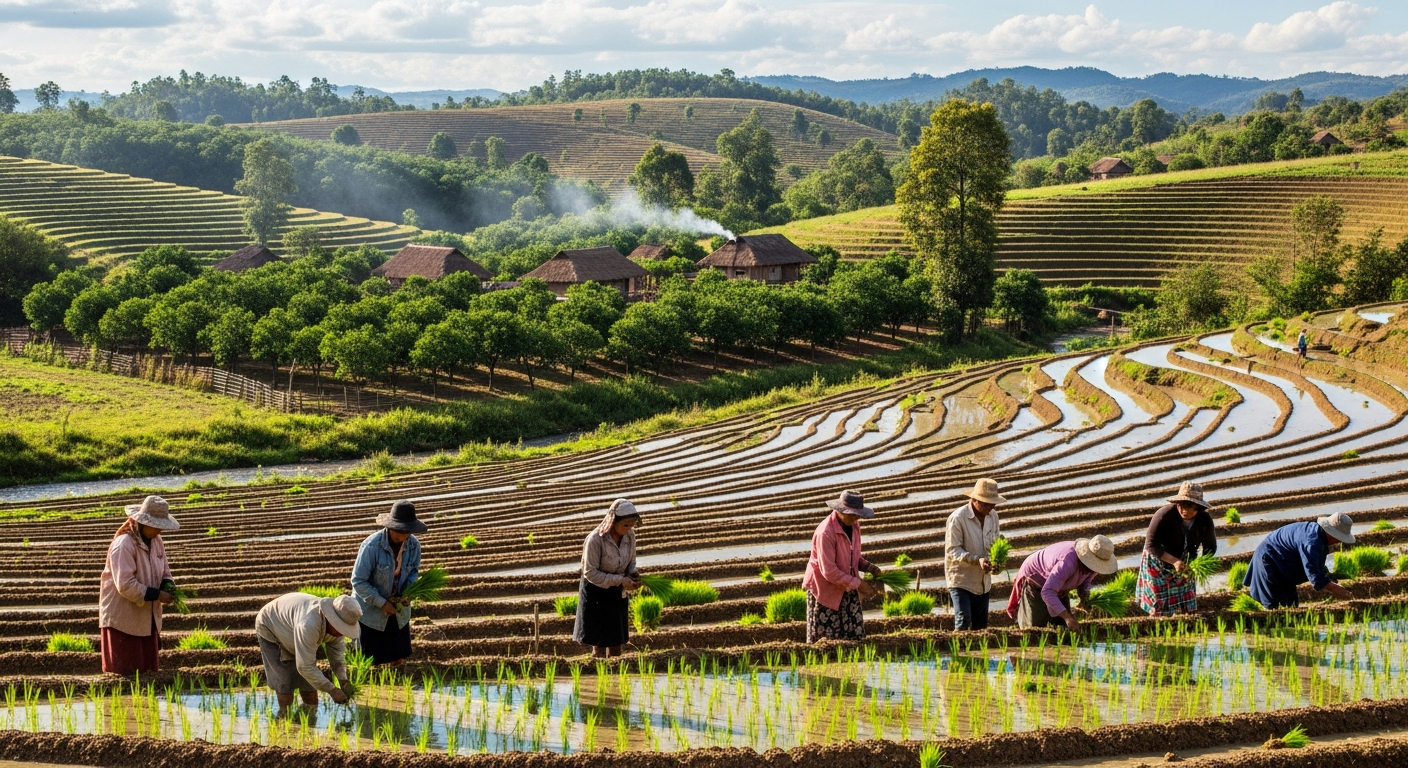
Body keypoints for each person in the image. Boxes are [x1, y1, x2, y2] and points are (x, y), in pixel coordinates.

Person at [99, 495, 180, 675]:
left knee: (147, 675)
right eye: (157, 525)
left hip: (146, 616)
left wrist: (168, 585)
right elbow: (125, 585)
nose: (160, 530)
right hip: (123, 620)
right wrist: (158, 595)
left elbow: (165, 570)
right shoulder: (124, 544)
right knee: (125, 675)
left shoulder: (157, 542)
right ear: (143, 522)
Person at [255, 592, 361, 712]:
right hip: (272, 627)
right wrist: (332, 690)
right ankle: (284, 719)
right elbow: (305, 666)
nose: (341, 633)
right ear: (331, 618)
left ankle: (309, 719)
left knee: (310, 692)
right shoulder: (309, 624)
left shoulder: (337, 628)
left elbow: (337, 658)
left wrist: (343, 680)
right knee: (285, 686)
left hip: (295, 627)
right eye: (340, 627)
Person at [802, 490, 883, 642]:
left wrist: (868, 567)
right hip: (825, 592)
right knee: (827, 642)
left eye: (857, 514)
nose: (855, 517)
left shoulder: (854, 526)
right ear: (839, 510)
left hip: (847, 586)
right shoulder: (825, 533)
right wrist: (859, 584)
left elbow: (853, 556)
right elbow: (829, 571)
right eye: (851, 514)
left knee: (855, 639)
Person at [351, 500, 425, 666]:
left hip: (399, 611)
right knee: (370, 659)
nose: (406, 535)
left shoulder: (414, 545)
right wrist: (382, 603)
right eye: (402, 530)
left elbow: (413, 572)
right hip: (371, 611)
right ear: (391, 527)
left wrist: (408, 592)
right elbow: (358, 581)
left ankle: (395, 684)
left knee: (397, 655)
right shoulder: (372, 546)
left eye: (409, 530)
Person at [573, 499, 642, 658]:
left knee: (616, 642)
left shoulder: (630, 536)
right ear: (613, 521)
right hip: (596, 591)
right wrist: (620, 580)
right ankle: (599, 676)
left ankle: (615, 679)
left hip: (616, 593)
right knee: (599, 645)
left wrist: (633, 575)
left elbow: (631, 562)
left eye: (632, 525)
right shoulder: (596, 539)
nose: (629, 529)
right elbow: (590, 572)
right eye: (625, 525)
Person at [1136, 481, 1217, 616]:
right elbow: (1151, 545)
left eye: (1189, 507)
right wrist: (1174, 561)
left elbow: (1210, 548)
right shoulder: (1164, 515)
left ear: (1197, 507)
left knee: (1187, 602)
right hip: (1158, 560)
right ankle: (1159, 624)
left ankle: (1187, 625)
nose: (1184, 511)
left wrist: (1198, 565)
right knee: (1160, 605)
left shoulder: (1204, 520)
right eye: (1181, 505)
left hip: (1186, 562)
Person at [1007, 535, 1118, 630]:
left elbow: (1087, 580)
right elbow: (1048, 591)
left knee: (1062, 626)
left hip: (1059, 588)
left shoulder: (1092, 566)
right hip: (1037, 582)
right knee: (1036, 628)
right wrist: (1067, 617)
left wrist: (1085, 597)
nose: (1094, 569)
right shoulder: (1067, 562)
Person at [1245, 513, 1355, 609]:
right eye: (1339, 538)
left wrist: (1328, 577)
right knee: (1276, 609)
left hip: (1284, 565)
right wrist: (1340, 591)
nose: (1339, 541)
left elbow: (1316, 564)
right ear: (1332, 533)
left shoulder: (1318, 535)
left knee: (1291, 605)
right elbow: (1315, 577)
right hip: (1270, 562)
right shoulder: (1312, 541)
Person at [945, 478, 1005, 630]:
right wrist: (976, 560)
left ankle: (977, 654)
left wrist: (996, 562)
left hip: (983, 582)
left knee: (981, 626)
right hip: (961, 580)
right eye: (986, 503)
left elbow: (995, 543)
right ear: (974, 500)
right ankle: (959, 653)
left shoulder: (993, 516)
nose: (990, 507)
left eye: (993, 503)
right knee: (964, 622)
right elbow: (953, 550)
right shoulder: (958, 518)